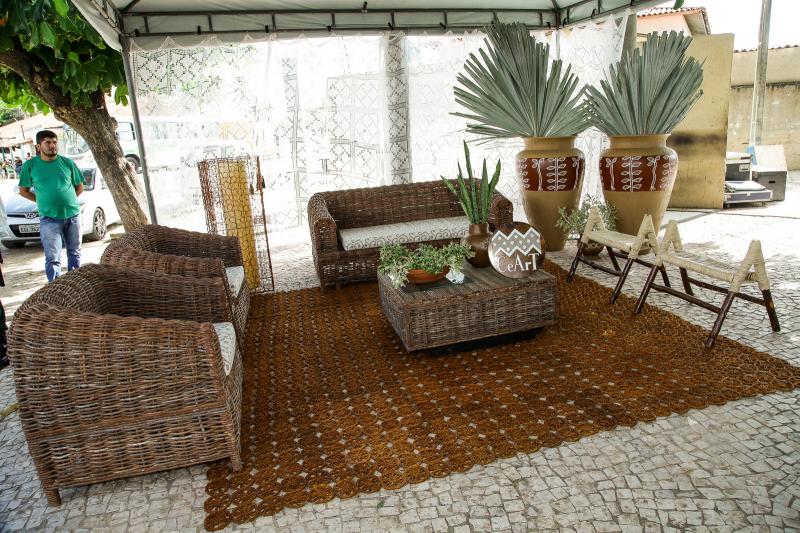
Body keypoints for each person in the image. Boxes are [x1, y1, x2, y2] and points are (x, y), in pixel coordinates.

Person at [18, 130, 85, 282]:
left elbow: (80, 187)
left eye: (54, 142)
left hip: (73, 216)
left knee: (75, 253)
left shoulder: (67, 163)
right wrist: (43, 201)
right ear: (38, 146)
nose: (52, 145)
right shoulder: (30, 166)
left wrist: (68, 201)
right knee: (53, 257)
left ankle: (76, 286)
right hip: (49, 218)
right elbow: (23, 191)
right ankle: (55, 289)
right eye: (48, 142)